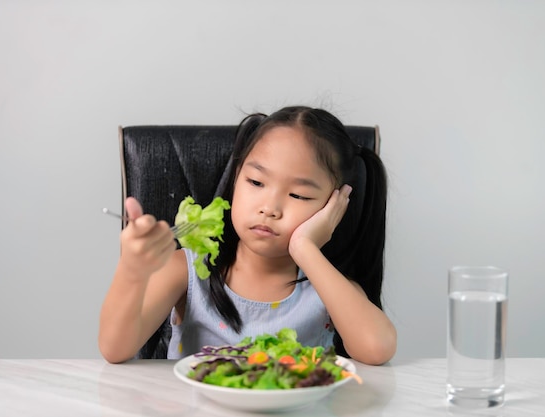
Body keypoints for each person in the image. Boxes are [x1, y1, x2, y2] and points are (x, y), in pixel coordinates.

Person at [98, 106, 397, 365]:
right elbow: (115, 349)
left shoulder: (328, 286)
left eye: (299, 195)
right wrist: (132, 271)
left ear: (333, 208)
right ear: (236, 179)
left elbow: (377, 348)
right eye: (255, 181)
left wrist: (305, 248)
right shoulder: (188, 270)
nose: (270, 208)